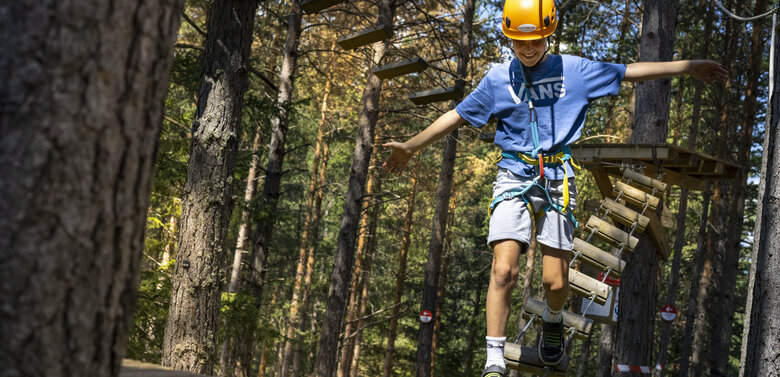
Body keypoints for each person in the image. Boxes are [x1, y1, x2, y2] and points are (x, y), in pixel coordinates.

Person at [382, 0, 727, 376]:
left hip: (558, 178)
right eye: (519, 43)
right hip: (514, 175)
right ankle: (494, 356)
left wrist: (687, 67)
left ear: (549, 34)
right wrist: (411, 146)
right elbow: (457, 114)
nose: (528, 50)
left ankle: (553, 316)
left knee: (555, 281)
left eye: (536, 42)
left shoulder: (574, 71)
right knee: (503, 271)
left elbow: (629, 72)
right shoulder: (498, 79)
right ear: (509, 39)